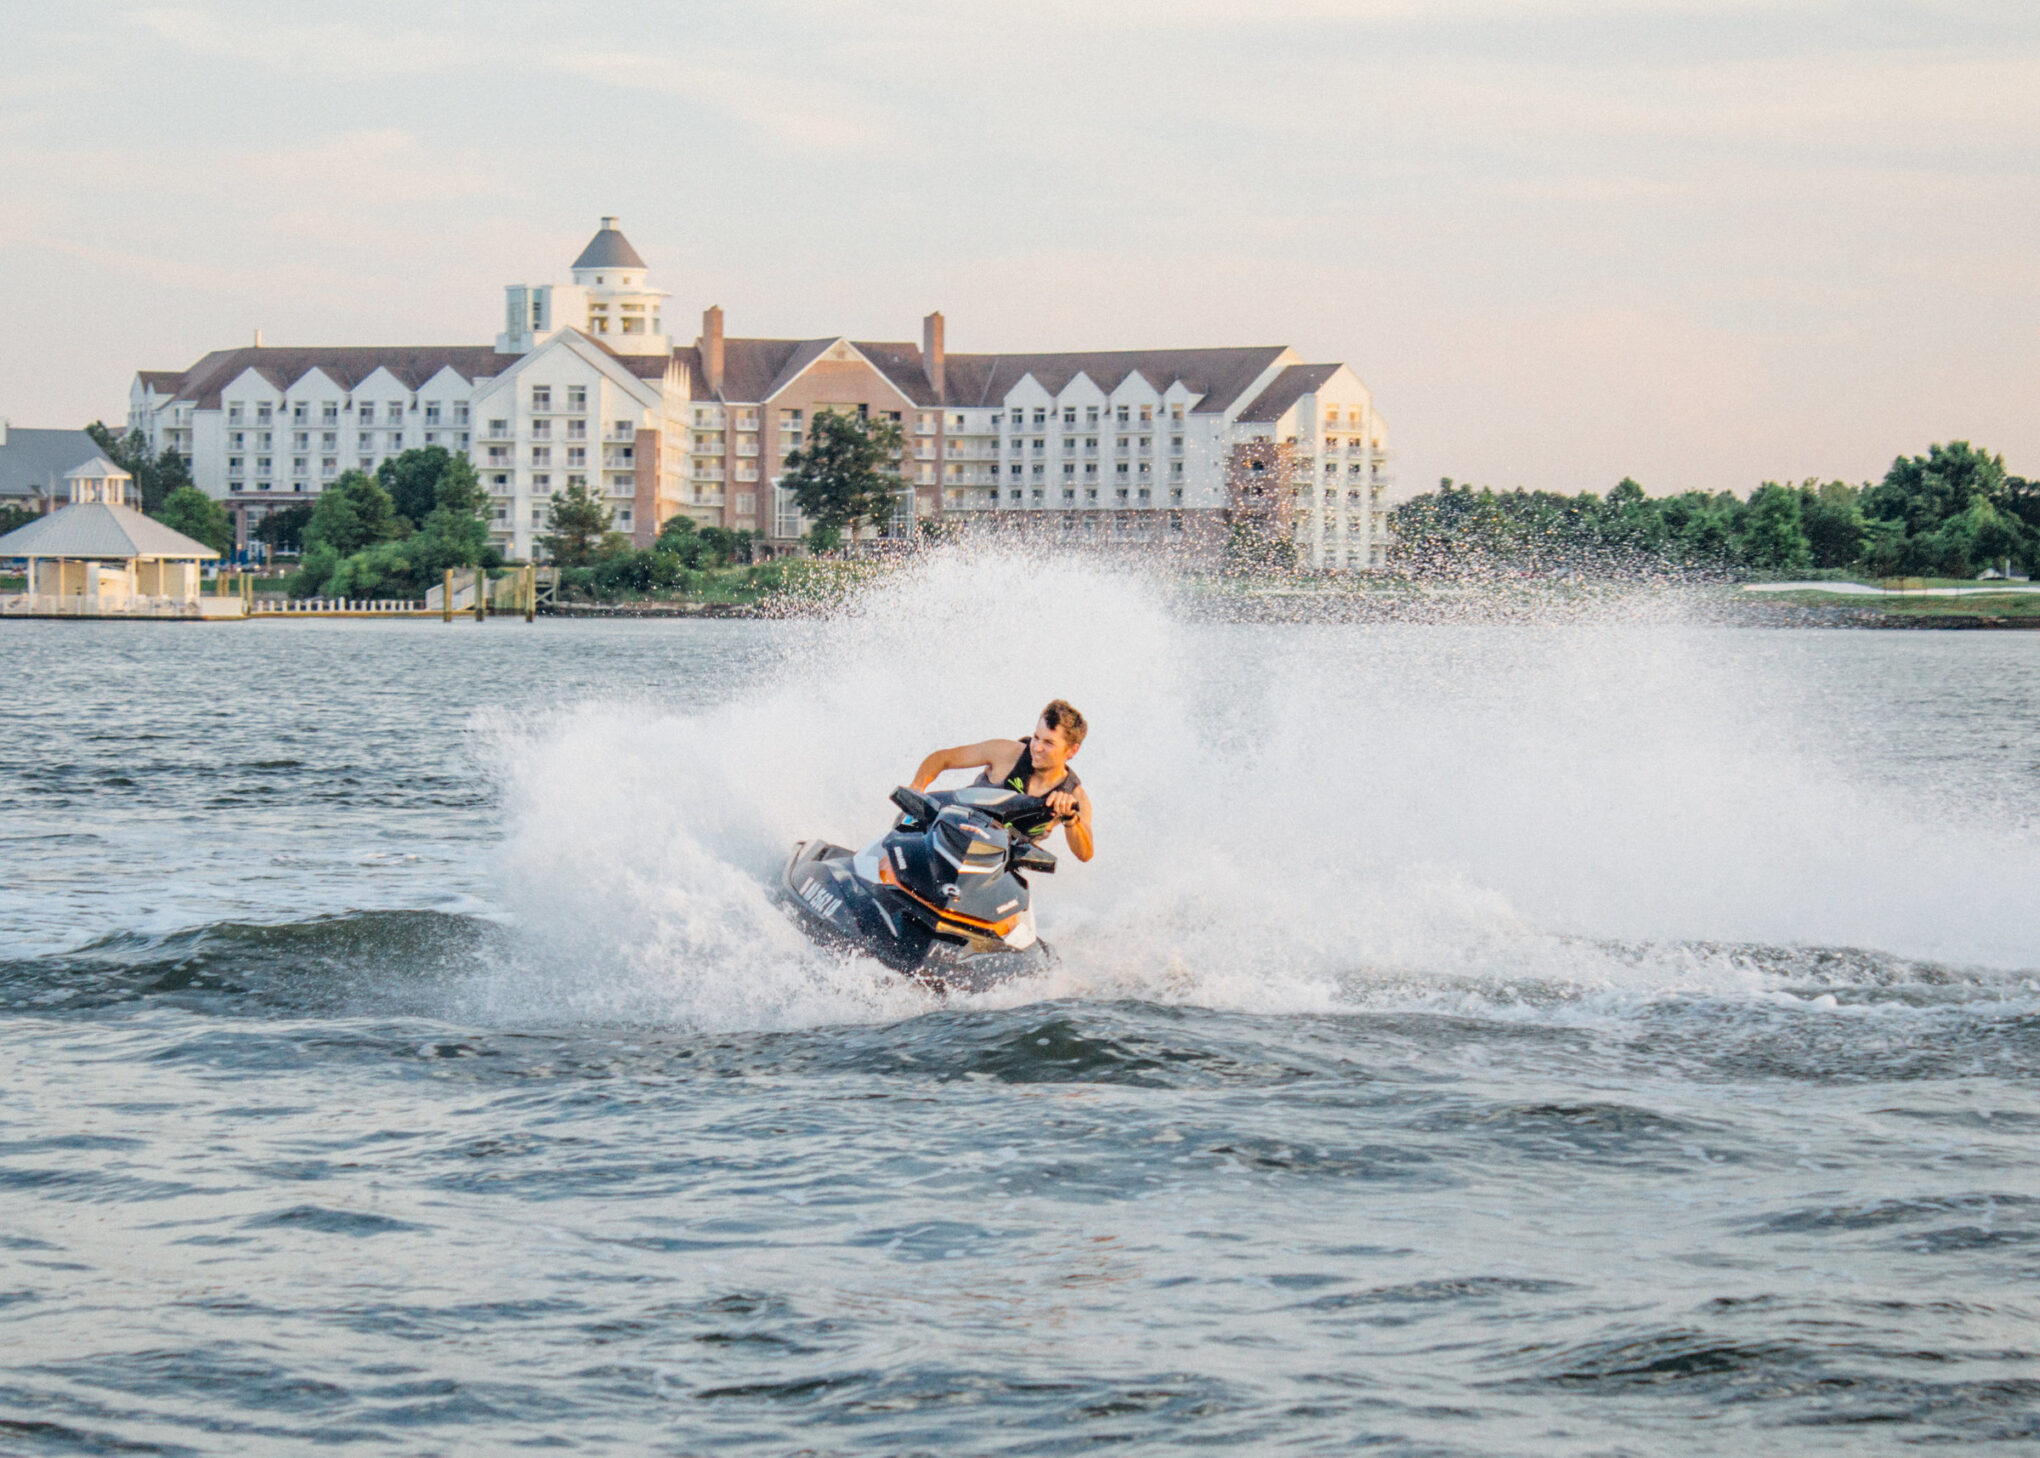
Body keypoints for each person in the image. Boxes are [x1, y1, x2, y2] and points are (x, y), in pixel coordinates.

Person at [909, 699, 1094, 862]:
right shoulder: (1005, 753)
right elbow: (942, 759)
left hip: (990, 869)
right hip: (948, 837)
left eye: (1049, 743)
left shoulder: (1074, 798)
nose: (1037, 748)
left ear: (1072, 750)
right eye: (1036, 738)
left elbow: (1085, 854)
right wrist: (917, 788)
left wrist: (1070, 819)